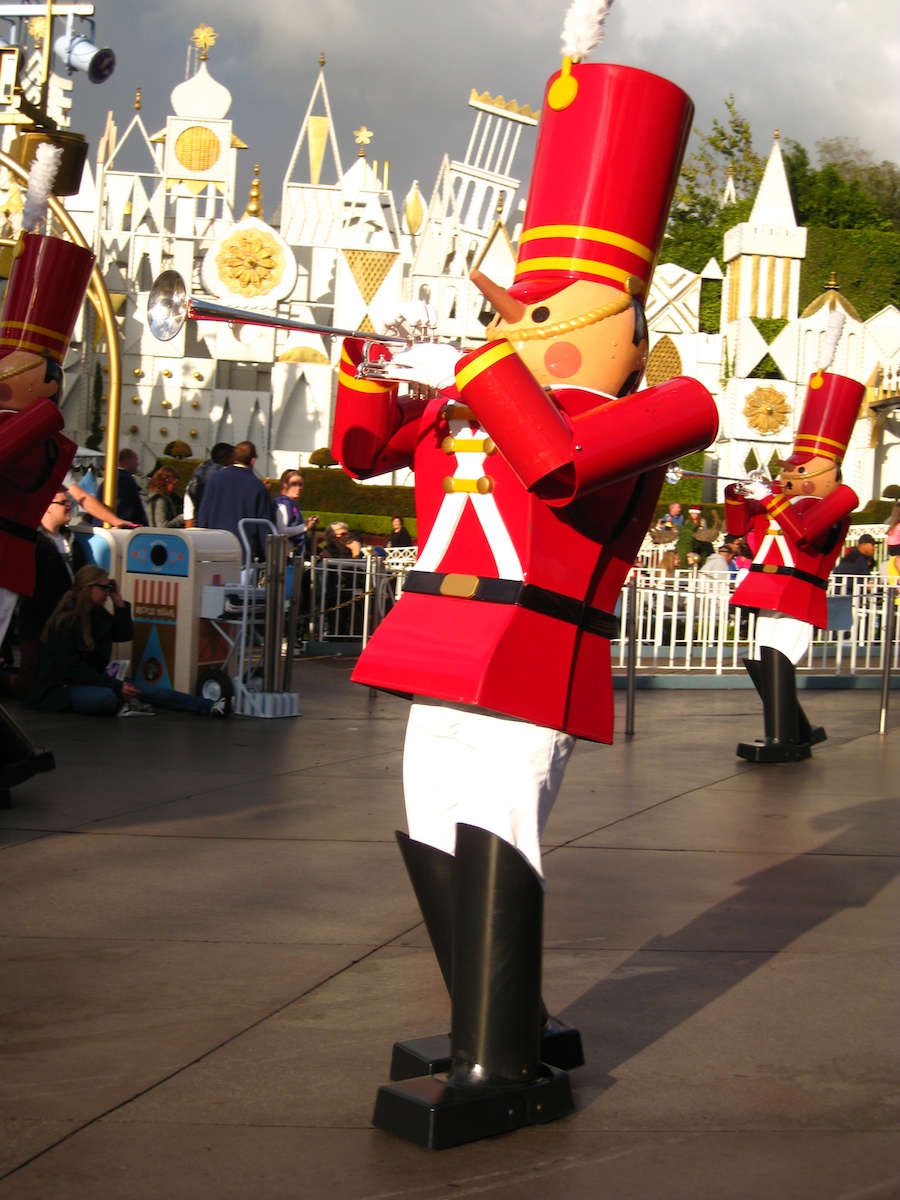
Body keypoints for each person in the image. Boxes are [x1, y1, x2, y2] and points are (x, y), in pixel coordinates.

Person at [332, 45, 719, 1147]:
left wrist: (481, 373)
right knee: (426, 820)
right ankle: (496, 1015)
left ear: (621, 327)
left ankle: (502, 1051)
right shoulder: (481, 398)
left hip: (535, 649)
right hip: (440, 634)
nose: (514, 321)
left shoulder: (665, 407)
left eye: (543, 311)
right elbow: (362, 450)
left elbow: (556, 464)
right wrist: (369, 358)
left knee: (497, 824)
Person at [726, 367, 865, 762]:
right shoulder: (781, 501)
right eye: (788, 467)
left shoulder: (840, 500)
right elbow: (739, 529)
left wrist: (770, 500)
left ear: (827, 472)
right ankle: (798, 730)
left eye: (798, 469)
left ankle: (784, 738)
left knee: (779, 655)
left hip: (799, 587)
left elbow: (803, 533)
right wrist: (737, 494)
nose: (787, 474)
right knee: (761, 656)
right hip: (766, 585)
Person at [24, 565, 228, 717]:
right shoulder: (65, 622)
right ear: (88, 588)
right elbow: (72, 670)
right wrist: (113, 685)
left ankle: (208, 706)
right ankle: (123, 702)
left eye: (109, 588)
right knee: (106, 698)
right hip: (62, 688)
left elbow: (123, 634)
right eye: (104, 588)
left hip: (93, 680)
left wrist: (119, 602)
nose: (108, 593)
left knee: (147, 690)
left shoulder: (95, 614)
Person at [13, 489, 85, 697]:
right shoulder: (32, 541)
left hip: (67, 622)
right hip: (38, 621)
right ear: (46, 508)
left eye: (69, 501)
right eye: (63, 503)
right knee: (28, 683)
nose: (69, 506)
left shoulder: (71, 539)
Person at [196, 441, 273, 558]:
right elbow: (264, 527)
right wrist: (270, 557)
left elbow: (203, 516)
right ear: (252, 461)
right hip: (242, 554)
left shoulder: (214, 479)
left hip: (214, 550)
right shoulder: (257, 486)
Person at [183, 442, 234, 528]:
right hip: (219, 530)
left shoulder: (195, 480)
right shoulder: (226, 477)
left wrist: (189, 532)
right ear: (226, 457)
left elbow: (188, 510)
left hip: (198, 528)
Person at [273, 469, 319, 557]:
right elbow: (281, 532)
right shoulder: (282, 505)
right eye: (294, 484)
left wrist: (309, 522)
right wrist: (304, 526)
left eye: (300, 484)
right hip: (285, 557)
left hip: (295, 555)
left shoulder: (292, 504)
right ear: (284, 485)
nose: (298, 488)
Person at [115, 448, 147, 525]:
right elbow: (127, 509)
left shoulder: (112, 477)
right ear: (128, 461)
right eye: (136, 460)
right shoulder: (125, 480)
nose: (138, 464)